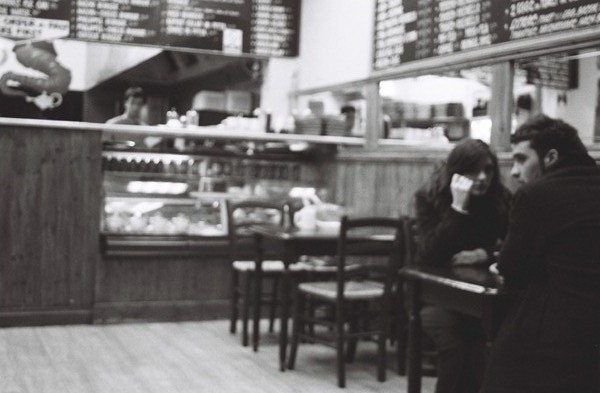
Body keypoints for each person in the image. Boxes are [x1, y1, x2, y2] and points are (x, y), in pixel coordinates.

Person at [482, 115, 600, 393]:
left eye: (522, 160)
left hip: (557, 341)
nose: (513, 172)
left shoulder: (535, 195)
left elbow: (510, 269)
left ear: (551, 157)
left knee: (500, 361)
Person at [414, 138, 512, 393]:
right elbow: (428, 256)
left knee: (489, 344)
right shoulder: (430, 197)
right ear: (456, 172)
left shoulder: (499, 198)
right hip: (435, 296)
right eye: (473, 170)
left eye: (488, 170)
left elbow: (515, 244)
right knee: (457, 345)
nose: (482, 177)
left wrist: (485, 254)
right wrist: (458, 209)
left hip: (480, 298)